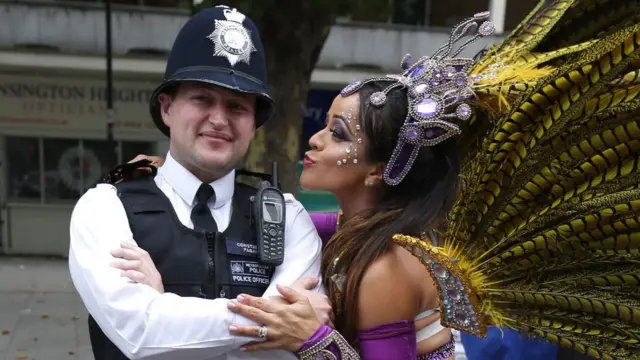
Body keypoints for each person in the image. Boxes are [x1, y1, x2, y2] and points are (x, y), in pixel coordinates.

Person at [120, 1, 640, 359]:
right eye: (324, 127)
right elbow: (259, 215)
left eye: (339, 133)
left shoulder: (385, 266)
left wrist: (314, 339)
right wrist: (172, 175)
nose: (317, 141)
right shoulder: (347, 229)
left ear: (377, 169)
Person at [68, 5, 328, 360]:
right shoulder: (105, 207)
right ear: (166, 108)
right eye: (201, 98)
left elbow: (281, 355)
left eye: (237, 107)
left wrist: (163, 308)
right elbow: (140, 333)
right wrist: (275, 322)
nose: (219, 119)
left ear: (254, 124)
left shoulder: (288, 218)